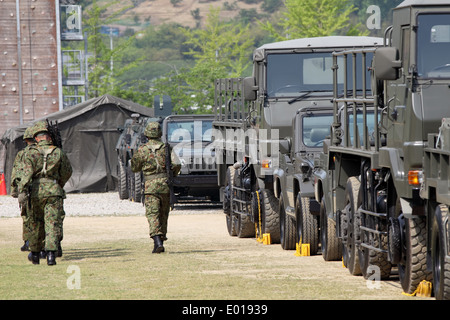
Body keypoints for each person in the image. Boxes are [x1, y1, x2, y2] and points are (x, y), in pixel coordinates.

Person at [14, 121, 72, 265]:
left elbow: (26, 175)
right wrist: (58, 184)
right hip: (53, 192)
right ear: (48, 137)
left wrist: (22, 191)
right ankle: (51, 255)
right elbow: (67, 172)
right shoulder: (58, 152)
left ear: (37, 138)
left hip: (35, 193)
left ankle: (34, 254)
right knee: (51, 223)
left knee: (35, 223)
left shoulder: (30, 153)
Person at [131, 121, 180, 253]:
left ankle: (157, 241)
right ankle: (161, 240)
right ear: (159, 134)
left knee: (153, 214)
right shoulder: (167, 148)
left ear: (147, 134)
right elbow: (176, 165)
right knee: (163, 214)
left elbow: (134, 168)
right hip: (165, 185)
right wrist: (171, 175)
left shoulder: (142, 149)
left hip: (150, 187)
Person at [10, 125, 36, 252]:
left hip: (24, 190)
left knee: (26, 216)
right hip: (40, 189)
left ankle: (27, 242)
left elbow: (15, 173)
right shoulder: (41, 152)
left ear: (26, 140)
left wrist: (14, 191)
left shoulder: (21, 154)